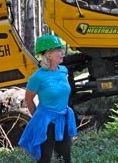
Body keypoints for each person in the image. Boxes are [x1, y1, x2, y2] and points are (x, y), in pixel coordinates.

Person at [19, 35, 77, 163]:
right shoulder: (37, 77)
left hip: (63, 118)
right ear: (48, 54)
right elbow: (29, 99)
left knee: (65, 157)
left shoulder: (63, 71)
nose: (63, 53)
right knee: (44, 159)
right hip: (46, 121)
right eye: (59, 50)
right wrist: (38, 117)